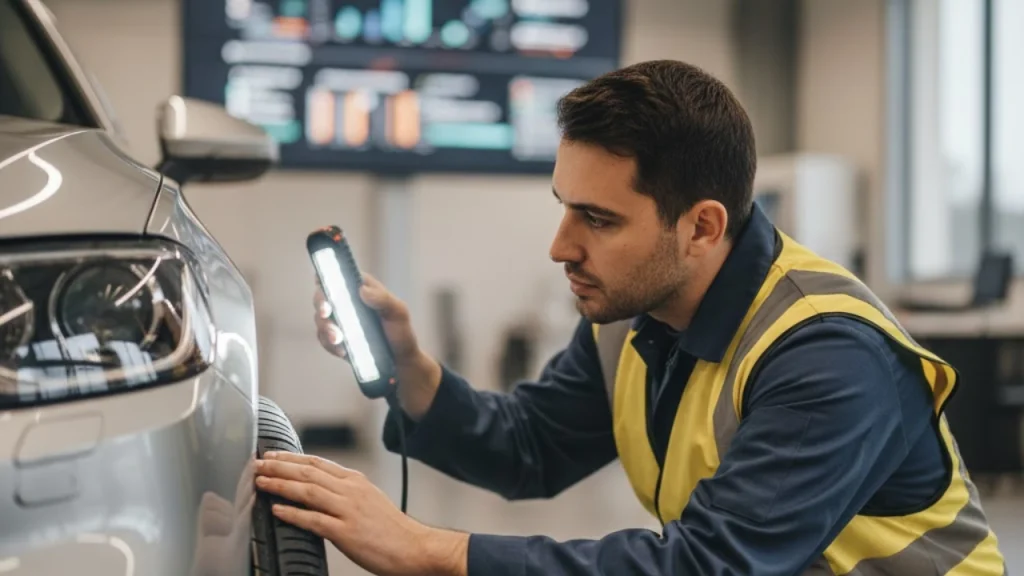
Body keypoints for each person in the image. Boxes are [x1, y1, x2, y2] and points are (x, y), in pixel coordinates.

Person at [253, 59, 1008, 575]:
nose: (561, 246)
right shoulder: (633, 320)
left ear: (703, 227)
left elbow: (709, 566)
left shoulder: (828, 356)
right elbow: (532, 447)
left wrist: (429, 549)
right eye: (563, 209)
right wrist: (414, 374)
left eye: (598, 219)